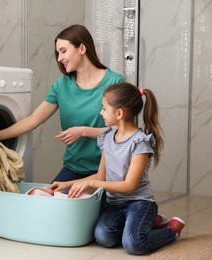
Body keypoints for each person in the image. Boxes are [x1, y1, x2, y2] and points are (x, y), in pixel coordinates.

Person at [49, 82, 185, 255]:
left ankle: (170, 230)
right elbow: (100, 176)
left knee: (133, 244)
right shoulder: (107, 137)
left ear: (119, 113)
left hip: (139, 203)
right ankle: (149, 223)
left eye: (104, 108)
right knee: (102, 236)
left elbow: (129, 186)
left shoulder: (139, 142)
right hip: (115, 203)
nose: (101, 112)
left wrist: (91, 183)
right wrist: (66, 184)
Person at [0, 24, 125, 182]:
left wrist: (83, 131)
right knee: (49, 202)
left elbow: (120, 130)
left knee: (91, 205)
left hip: (107, 169)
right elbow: (33, 120)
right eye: (58, 53)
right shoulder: (61, 85)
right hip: (74, 168)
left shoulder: (114, 81)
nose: (59, 58)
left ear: (82, 48)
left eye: (63, 51)